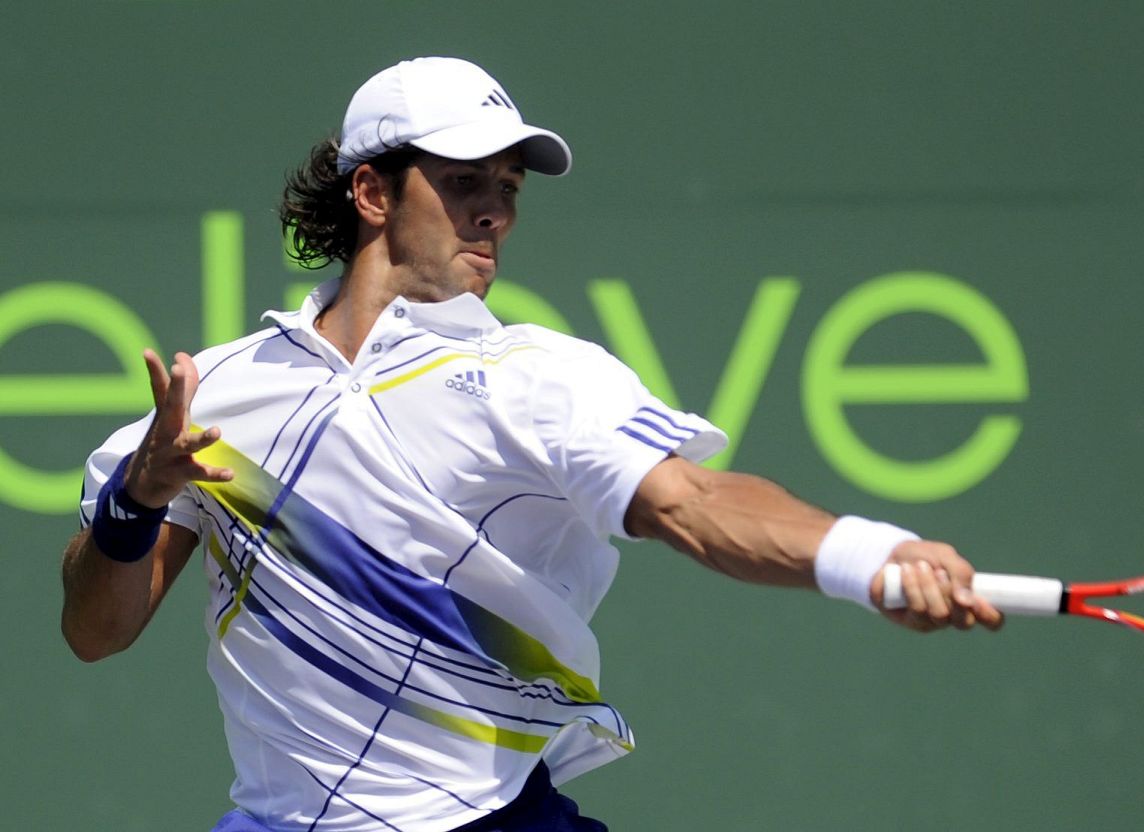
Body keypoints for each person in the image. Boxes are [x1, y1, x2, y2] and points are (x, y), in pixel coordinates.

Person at [60, 56, 1002, 832]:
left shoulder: (540, 377)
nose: (495, 213)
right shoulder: (222, 392)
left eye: (507, 189)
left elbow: (696, 504)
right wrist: (134, 499)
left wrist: (872, 558)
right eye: (465, 182)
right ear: (371, 193)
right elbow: (95, 632)